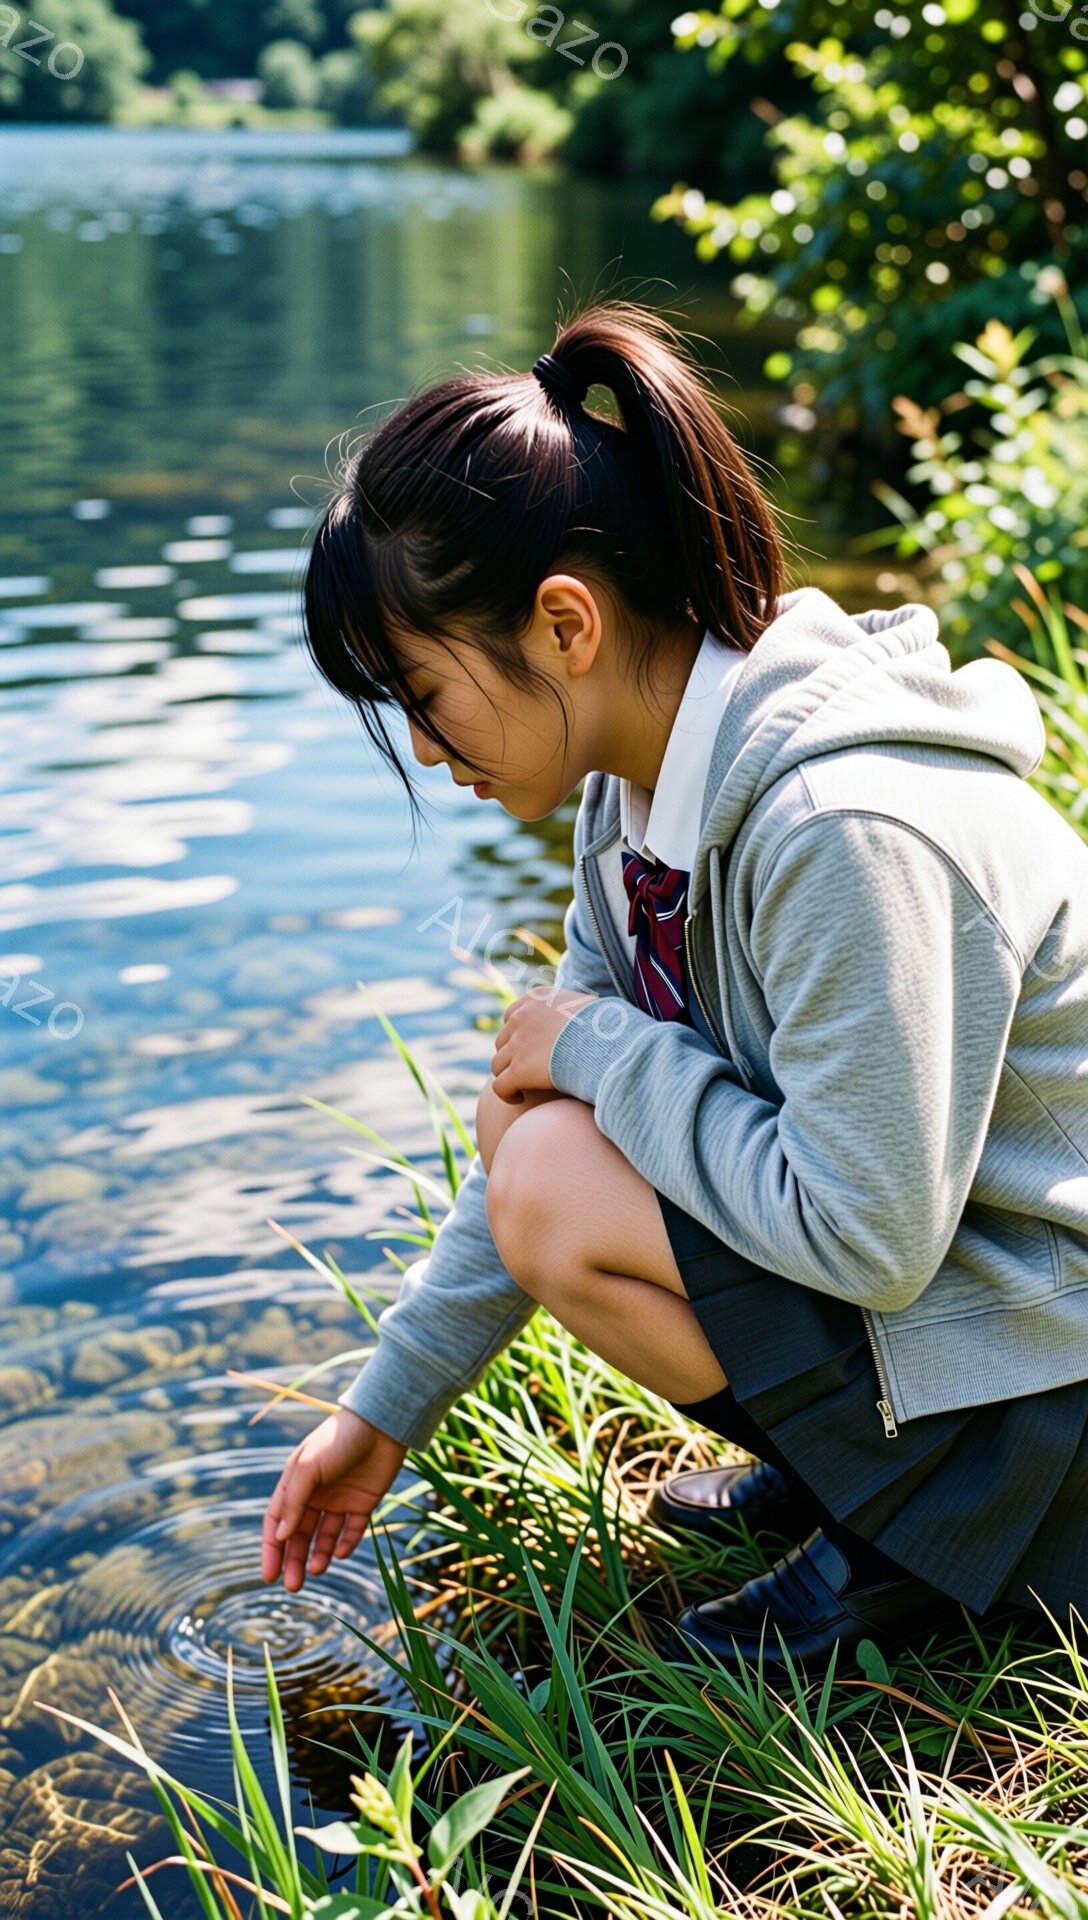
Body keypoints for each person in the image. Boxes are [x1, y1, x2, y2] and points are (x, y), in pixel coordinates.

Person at [260, 297, 1088, 1671]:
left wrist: (599, 1050)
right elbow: (564, 1090)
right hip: (975, 1313)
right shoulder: (634, 797)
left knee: (556, 1161)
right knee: (532, 1134)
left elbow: (867, 1232)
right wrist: (383, 1411)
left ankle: (914, 1539)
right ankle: (860, 1460)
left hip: (1059, 1385)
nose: (421, 747)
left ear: (565, 623)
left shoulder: (844, 828)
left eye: (422, 692)